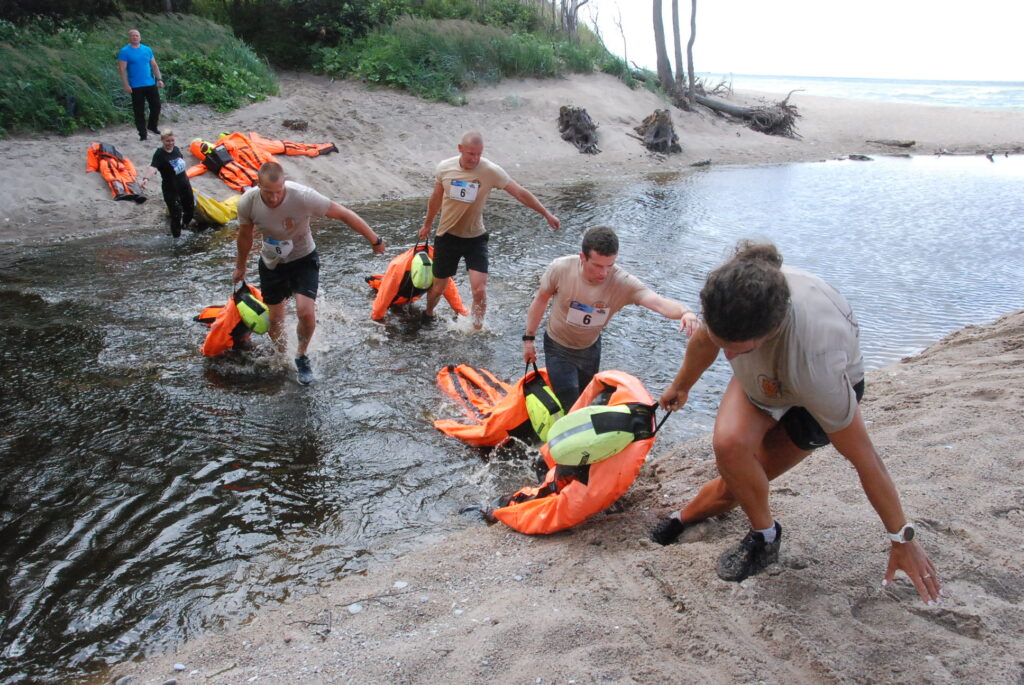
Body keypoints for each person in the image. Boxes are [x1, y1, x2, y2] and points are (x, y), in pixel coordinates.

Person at [652, 240, 942, 604]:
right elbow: (705, 342)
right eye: (721, 341)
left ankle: (739, 533)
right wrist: (681, 387)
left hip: (813, 395)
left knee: (739, 485)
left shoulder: (815, 365)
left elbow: (865, 458)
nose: (725, 355)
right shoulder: (734, 300)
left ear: (770, 331)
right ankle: (753, 530)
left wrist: (902, 539)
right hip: (762, 376)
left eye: (735, 347)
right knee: (730, 450)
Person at [232, 162, 386, 384]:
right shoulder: (248, 202)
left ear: (284, 183)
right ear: (258, 185)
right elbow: (245, 236)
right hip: (272, 262)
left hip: (304, 258)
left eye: (278, 192)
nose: (274, 198)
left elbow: (343, 213)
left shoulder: (303, 197)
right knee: (275, 320)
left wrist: (374, 239)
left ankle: (301, 356)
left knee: (305, 311)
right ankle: (282, 355)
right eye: (268, 193)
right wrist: (240, 266)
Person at [522, 225, 700, 411]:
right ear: (583, 257)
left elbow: (658, 302)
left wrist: (685, 312)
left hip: (590, 348)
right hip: (557, 346)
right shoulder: (561, 269)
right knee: (570, 400)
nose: (604, 273)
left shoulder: (622, 282)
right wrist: (529, 339)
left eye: (610, 266)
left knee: (587, 400)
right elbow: (541, 300)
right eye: (597, 266)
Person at [417, 131, 560, 328]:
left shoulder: (490, 171)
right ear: (460, 149)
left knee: (479, 290)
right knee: (439, 287)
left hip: (475, 238)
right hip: (447, 235)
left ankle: (477, 328)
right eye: (470, 154)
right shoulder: (444, 168)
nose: (475, 159)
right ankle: (428, 313)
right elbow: (435, 199)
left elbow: (519, 193)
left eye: (478, 154)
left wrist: (546, 214)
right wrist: (427, 224)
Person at [141, 129, 194, 238]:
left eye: (172, 140)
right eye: (167, 141)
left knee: (190, 208)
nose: (170, 143)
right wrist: (146, 179)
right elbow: (153, 167)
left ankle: (185, 227)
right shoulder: (160, 154)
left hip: (184, 184)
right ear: (162, 141)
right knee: (176, 214)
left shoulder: (176, 150)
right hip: (170, 188)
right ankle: (176, 239)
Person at [117, 29, 163, 142]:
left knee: (156, 106)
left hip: (150, 83)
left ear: (140, 37)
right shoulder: (125, 51)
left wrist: (159, 79)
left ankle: (152, 126)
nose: (135, 37)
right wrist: (126, 85)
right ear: (129, 37)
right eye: (133, 36)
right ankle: (143, 134)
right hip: (136, 86)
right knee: (139, 111)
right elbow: (122, 70)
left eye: (137, 36)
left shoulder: (147, 49)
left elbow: (154, 65)